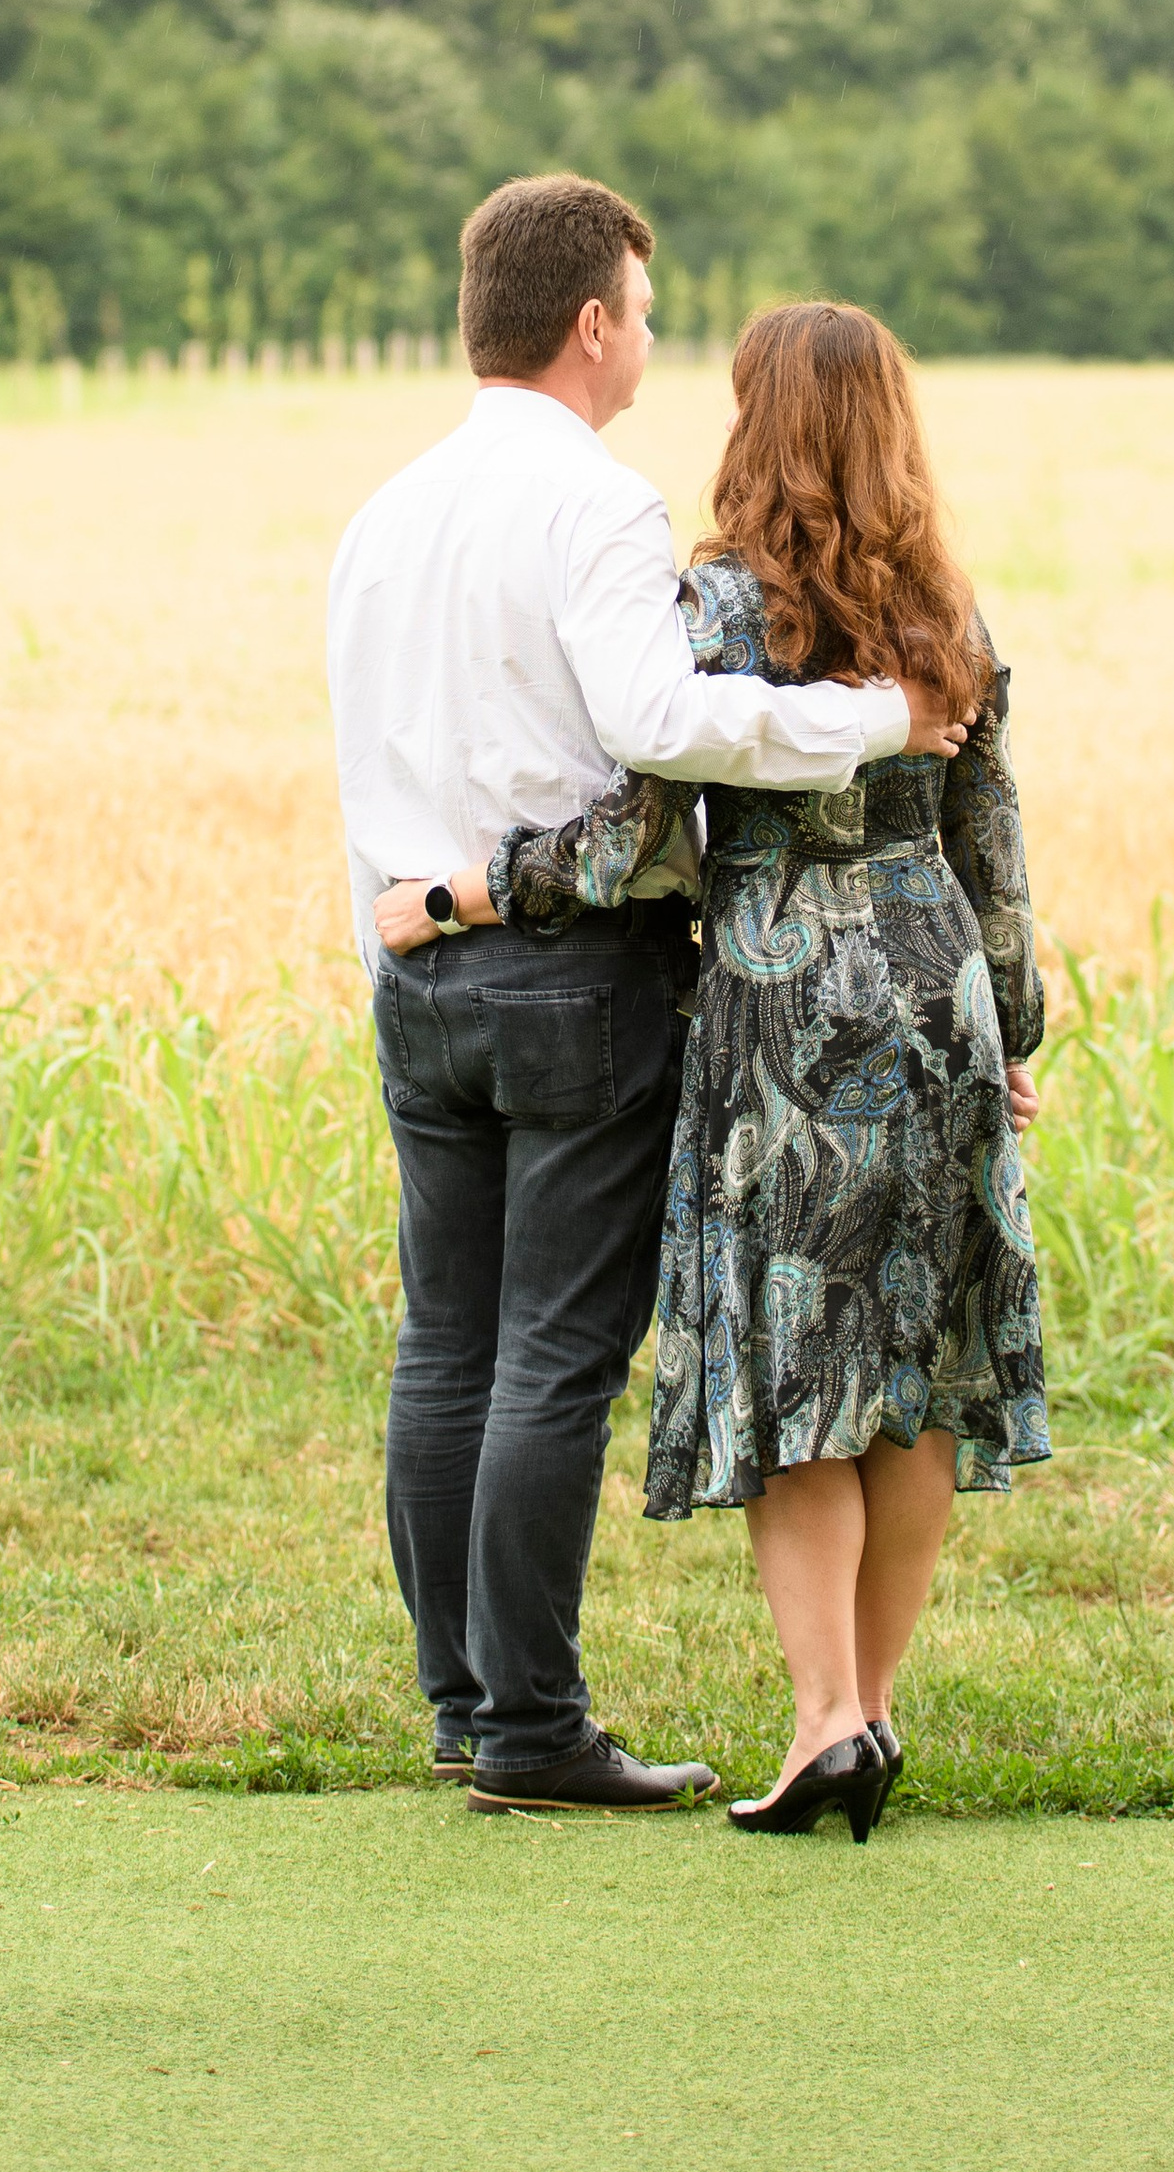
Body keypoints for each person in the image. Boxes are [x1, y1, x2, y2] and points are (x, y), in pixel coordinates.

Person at [327, 179, 968, 1819]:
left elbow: (363, 760)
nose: (655, 345)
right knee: (551, 1355)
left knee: (444, 1347)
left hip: (418, 966)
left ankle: (466, 1706)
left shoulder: (381, 516)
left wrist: (393, 935)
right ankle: (534, 1730)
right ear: (592, 322)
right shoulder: (596, 507)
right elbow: (663, 725)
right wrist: (872, 726)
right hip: (574, 975)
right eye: (646, 312)